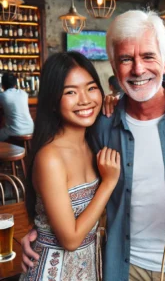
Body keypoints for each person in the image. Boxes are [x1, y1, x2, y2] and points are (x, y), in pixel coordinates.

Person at [22, 10, 165, 281]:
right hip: (119, 266)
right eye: (126, 59)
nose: (138, 69)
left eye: (148, 56)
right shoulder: (100, 124)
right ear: (114, 68)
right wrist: (41, 230)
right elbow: (61, 189)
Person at [21, 51, 120, 280]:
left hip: (89, 269)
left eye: (91, 87)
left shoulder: (92, 144)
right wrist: (108, 183)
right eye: (70, 92)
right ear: (53, 102)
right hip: (53, 273)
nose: (85, 99)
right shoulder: (50, 158)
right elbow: (71, 239)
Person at [0, 73, 34, 141]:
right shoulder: (24, 94)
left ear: (2, 85)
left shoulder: (2, 96)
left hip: (15, 131)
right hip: (31, 128)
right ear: (15, 84)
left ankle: (7, 151)